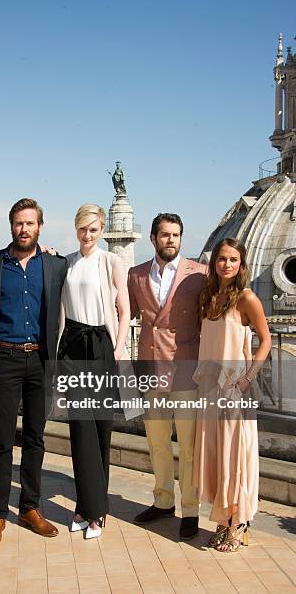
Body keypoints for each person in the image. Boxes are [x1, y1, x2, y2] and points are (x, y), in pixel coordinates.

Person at [0, 198, 67, 546]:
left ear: (40, 227)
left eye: (30, 223)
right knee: (1, 440)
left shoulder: (56, 265)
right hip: (4, 359)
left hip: (40, 361)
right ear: (11, 226)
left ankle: (30, 507)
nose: (24, 229)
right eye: (18, 223)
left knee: (35, 438)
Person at [128, 213, 207, 540]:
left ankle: (190, 509)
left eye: (176, 235)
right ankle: (163, 501)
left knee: (188, 445)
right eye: (165, 235)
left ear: (180, 238)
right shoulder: (136, 275)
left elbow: (211, 319)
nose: (171, 240)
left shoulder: (198, 274)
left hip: (185, 368)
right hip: (150, 366)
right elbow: (123, 314)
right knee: (157, 441)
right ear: (153, 238)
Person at [56, 203, 130, 539]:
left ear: (102, 231)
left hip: (101, 345)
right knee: (80, 429)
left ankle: (94, 509)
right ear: (76, 229)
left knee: (101, 431)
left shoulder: (111, 261)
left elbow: (125, 311)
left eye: (94, 229)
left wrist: (116, 349)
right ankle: (88, 506)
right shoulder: (66, 263)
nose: (88, 235)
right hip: (72, 345)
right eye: (83, 229)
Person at [193, 238, 271, 552]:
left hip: (233, 390)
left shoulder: (246, 298)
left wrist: (247, 379)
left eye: (233, 259)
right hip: (210, 389)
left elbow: (265, 341)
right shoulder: (209, 296)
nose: (227, 264)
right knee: (216, 455)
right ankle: (223, 520)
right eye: (222, 259)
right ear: (214, 264)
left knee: (234, 456)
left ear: (242, 264)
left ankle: (238, 524)